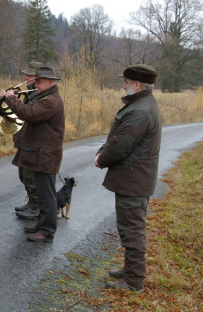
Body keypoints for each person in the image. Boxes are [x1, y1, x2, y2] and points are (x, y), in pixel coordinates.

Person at [94, 64, 162, 291]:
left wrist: (101, 158)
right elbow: (120, 137)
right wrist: (104, 150)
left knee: (132, 230)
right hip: (135, 179)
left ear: (137, 85)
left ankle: (133, 281)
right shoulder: (142, 105)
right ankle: (131, 270)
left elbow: (121, 144)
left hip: (134, 181)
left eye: (126, 82)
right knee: (129, 227)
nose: (123, 86)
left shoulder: (140, 110)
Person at [0, 66, 65, 242]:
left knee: (46, 195)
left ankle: (47, 230)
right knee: (42, 193)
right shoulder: (44, 97)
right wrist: (9, 99)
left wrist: (11, 99)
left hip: (46, 155)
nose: (36, 84)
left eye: (40, 81)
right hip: (41, 154)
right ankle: (41, 224)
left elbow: (29, 114)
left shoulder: (51, 100)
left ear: (51, 82)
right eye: (36, 81)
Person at [13, 62, 42, 220]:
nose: (25, 78)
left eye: (29, 75)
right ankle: (31, 202)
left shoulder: (39, 95)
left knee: (30, 176)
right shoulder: (29, 93)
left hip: (33, 143)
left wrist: (12, 100)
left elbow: (29, 114)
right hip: (24, 141)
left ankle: (36, 206)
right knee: (23, 174)